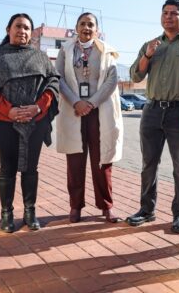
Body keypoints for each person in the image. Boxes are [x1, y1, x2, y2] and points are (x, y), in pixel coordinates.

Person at [126, 0, 179, 234]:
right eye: (165, 13)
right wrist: (147, 55)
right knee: (148, 164)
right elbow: (135, 76)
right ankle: (146, 210)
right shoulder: (151, 45)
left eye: (174, 13)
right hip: (151, 111)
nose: (169, 17)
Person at [0, 13, 59, 233]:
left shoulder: (40, 57)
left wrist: (39, 107)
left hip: (36, 120)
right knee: (7, 167)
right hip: (4, 121)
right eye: (18, 26)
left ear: (32, 33)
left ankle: (30, 212)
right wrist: (9, 111)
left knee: (31, 167)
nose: (22, 31)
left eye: (27, 28)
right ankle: (7, 213)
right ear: (8, 30)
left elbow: (53, 82)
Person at [55, 12, 123, 224]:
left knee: (102, 160)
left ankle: (106, 205)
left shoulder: (106, 51)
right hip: (73, 111)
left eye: (91, 24)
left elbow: (112, 80)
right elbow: (58, 78)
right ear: (76, 27)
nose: (86, 28)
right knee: (75, 161)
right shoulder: (65, 50)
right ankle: (75, 206)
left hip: (99, 112)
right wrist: (76, 102)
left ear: (97, 30)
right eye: (82, 24)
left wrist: (91, 103)